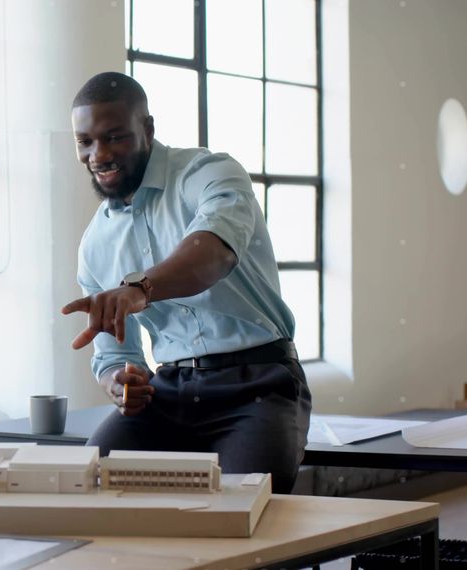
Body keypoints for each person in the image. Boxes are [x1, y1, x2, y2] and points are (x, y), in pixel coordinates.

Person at [60, 71, 312, 493]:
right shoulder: (95, 244)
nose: (98, 155)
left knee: (239, 508)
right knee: (88, 486)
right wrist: (122, 386)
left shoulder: (210, 173)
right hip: (170, 392)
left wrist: (140, 289)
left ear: (148, 129)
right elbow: (114, 356)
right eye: (85, 142)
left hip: (258, 384)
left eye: (115, 137)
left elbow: (212, 252)